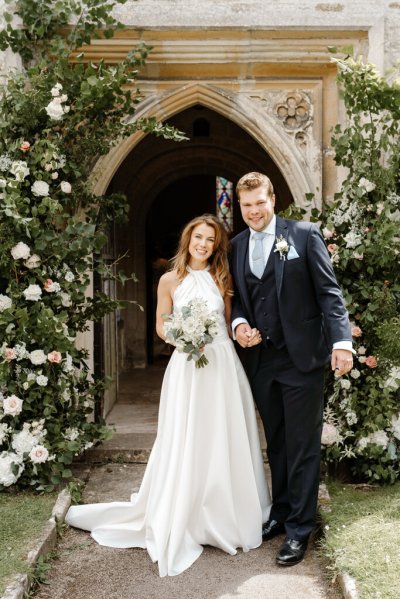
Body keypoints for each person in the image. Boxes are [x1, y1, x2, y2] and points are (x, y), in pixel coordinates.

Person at [66, 214, 271, 577]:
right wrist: (183, 336)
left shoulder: (221, 278)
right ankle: (184, 509)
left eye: (210, 239)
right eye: (198, 237)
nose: (203, 244)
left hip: (222, 363)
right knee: (185, 436)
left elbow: (228, 321)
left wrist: (237, 335)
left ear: (216, 245)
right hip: (187, 367)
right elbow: (162, 323)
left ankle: (224, 510)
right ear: (187, 239)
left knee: (222, 434)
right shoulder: (169, 279)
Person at [230, 172, 353, 566]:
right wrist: (239, 325)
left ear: (273, 199)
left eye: (259, 203)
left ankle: (300, 529)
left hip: (301, 360)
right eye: (246, 206)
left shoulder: (302, 235)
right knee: (278, 442)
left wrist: (342, 342)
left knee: (302, 445)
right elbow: (238, 299)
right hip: (261, 361)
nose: (253, 212)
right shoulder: (235, 246)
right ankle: (281, 513)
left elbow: (328, 292)